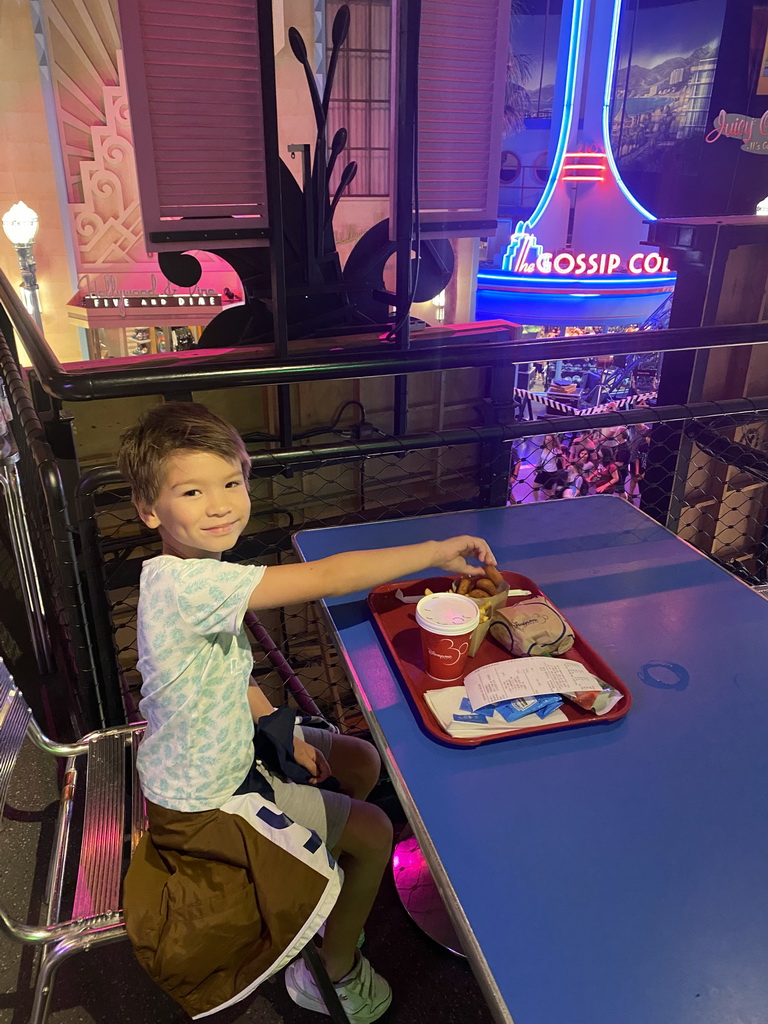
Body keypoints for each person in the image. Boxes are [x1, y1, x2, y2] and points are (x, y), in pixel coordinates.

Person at [116, 402, 495, 1022]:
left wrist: (275, 726)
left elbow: (226, 669)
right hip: (209, 800)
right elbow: (326, 575)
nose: (220, 505)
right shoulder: (192, 586)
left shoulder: (188, 572)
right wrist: (432, 551)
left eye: (231, 483)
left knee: (358, 759)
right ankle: (329, 974)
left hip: (212, 759)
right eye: (192, 491)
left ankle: (327, 901)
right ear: (149, 509)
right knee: (374, 834)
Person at [532, 433, 566, 501]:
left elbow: (563, 459)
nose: (547, 441)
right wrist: (536, 468)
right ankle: (535, 501)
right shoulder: (543, 448)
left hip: (550, 473)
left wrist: (563, 468)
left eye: (549, 440)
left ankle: (554, 502)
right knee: (534, 487)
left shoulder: (555, 451)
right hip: (542, 471)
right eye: (546, 439)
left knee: (548, 491)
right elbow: (540, 459)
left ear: (553, 441)